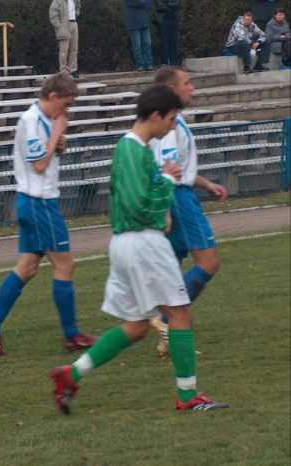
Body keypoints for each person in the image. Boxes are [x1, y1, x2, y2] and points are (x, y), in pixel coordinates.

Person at [50, 84, 229, 414]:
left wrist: (160, 195)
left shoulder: (138, 150)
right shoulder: (132, 150)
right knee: (179, 314)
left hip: (131, 243)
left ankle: (71, 375)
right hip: (142, 243)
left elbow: (143, 203)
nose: (174, 125)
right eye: (172, 119)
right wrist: (165, 182)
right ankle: (187, 396)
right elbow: (136, 206)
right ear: (156, 115)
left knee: (135, 326)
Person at [0, 74, 98, 357]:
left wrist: (58, 145)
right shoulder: (32, 121)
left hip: (35, 202)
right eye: (66, 104)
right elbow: (39, 165)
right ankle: (72, 336)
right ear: (53, 96)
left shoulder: (42, 121)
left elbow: (45, 158)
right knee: (65, 266)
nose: (66, 111)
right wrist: (56, 135)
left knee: (27, 268)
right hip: (38, 203)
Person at [148, 67, 228, 358]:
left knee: (171, 269)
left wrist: (207, 184)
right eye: (187, 83)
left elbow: (179, 169)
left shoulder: (174, 122)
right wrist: (168, 207)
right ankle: (166, 320)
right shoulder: (171, 127)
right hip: (178, 200)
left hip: (180, 194)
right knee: (208, 263)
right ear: (171, 90)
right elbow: (167, 171)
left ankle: (167, 332)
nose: (192, 88)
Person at [49, 0, 81, 78]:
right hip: (64, 25)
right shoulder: (58, 1)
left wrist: (77, 13)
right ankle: (63, 70)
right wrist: (59, 26)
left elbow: (78, 6)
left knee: (74, 49)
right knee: (64, 50)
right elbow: (53, 15)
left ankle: (72, 69)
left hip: (74, 23)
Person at [123, 0, 153, 71]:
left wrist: (143, 3)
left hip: (144, 23)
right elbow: (138, 2)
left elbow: (149, 5)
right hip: (133, 24)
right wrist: (144, 2)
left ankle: (148, 64)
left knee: (147, 44)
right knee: (137, 46)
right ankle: (140, 65)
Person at [153, 0, 181, 67]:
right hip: (162, 20)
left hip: (173, 19)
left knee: (173, 41)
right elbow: (160, 6)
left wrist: (168, 4)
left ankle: (174, 61)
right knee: (164, 42)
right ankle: (164, 62)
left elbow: (178, 4)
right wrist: (171, 6)